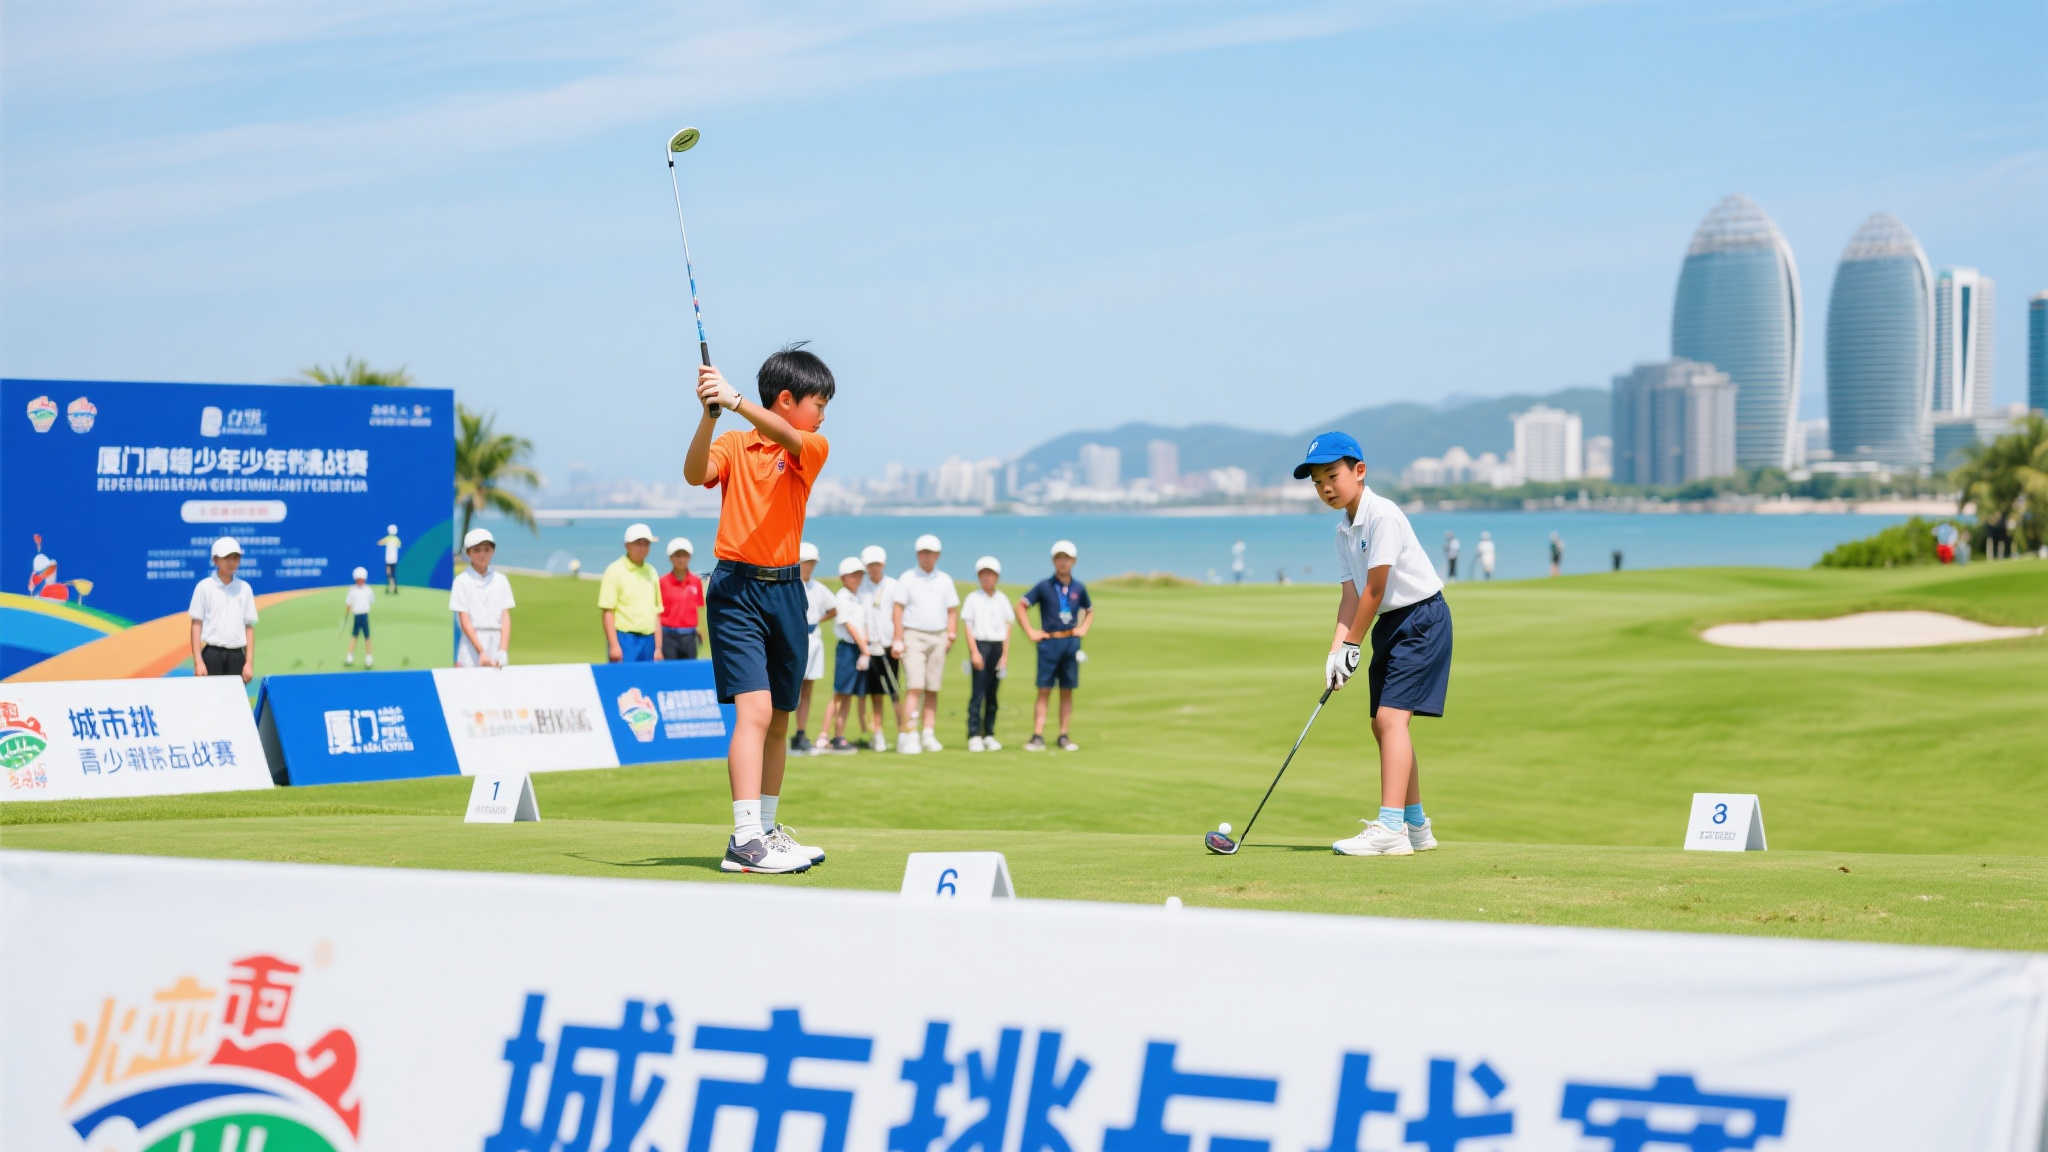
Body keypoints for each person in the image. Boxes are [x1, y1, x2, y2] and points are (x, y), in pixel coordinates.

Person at [684, 345, 835, 875]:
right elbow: (695, 473)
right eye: (819, 404)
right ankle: (745, 839)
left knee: (779, 718)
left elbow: (790, 437)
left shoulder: (811, 445)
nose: (823, 415)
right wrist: (711, 416)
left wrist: (735, 398)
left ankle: (766, 831)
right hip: (736, 591)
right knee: (755, 711)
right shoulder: (733, 443)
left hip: (787, 592)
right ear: (787, 398)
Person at [1296, 431, 1449, 858]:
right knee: (1381, 725)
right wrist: (1336, 651)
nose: (1326, 488)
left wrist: (1353, 644)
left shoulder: (1383, 516)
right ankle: (1415, 825)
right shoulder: (1343, 532)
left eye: (1332, 476)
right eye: (1318, 482)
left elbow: (1375, 589)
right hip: (1391, 624)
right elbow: (1350, 596)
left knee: (1390, 719)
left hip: (1421, 619)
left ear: (1359, 471)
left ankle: (1390, 828)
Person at [1014, 539, 1091, 752]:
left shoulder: (1078, 588)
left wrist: (1083, 628)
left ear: (1073, 561)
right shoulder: (1044, 586)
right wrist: (1030, 631)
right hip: (1049, 643)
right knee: (1044, 689)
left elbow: (1089, 610)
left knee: (1067, 690)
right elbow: (1021, 605)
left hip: (1070, 642)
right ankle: (1037, 735)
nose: (1063, 562)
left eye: (1066, 558)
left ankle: (1063, 735)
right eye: (1059, 558)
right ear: (1053, 561)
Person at [890, 533, 960, 753]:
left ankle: (928, 733)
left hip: (939, 636)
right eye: (923, 553)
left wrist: (951, 635)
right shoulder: (907, 578)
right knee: (915, 686)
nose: (926, 557)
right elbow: (898, 609)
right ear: (917, 555)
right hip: (913, 635)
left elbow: (952, 610)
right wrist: (898, 638)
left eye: (930, 553)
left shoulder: (945, 580)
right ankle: (909, 733)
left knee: (932, 688)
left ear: (937, 555)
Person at [960, 555, 1012, 751]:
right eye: (983, 574)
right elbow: (968, 627)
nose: (987, 578)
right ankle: (974, 734)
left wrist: (1004, 656)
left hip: (997, 647)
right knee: (978, 693)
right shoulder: (973, 598)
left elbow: (1007, 627)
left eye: (990, 574)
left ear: (997, 576)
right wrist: (974, 652)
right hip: (980, 646)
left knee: (992, 694)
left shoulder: (1002, 599)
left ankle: (989, 733)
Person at [189, 536, 257, 684]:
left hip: (237, 655)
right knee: (210, 696)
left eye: (236, 558)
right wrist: (198, 662)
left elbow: (249, 627)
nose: (232, 562)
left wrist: (249, 662)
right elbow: (196, 625)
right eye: (227, 558)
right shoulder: (204, 587)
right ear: (215, 560)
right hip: (212, 655)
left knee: (235, 697)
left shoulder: (245, 588)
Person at [792, 541, 836, 754]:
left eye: (811, 563)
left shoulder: (818, 588)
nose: (808, 567)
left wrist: (818, 620)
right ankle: (781, 733)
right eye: (805, 562)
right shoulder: (791, 586)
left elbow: (834, 608)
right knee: (791, 688)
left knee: (807, 688)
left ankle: (800, 732)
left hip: (813, 639)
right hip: (794, 639)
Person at [860, 544, 905, 753]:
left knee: (894, 692)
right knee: (875, 694)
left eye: (877, 564)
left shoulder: (894, 586)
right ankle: (878, 735)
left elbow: (898, 615)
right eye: (870, 565)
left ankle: (903, 734)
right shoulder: (862, 587)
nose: (874, 568)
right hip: (870, 647)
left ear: (883, 564)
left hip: (890, 646)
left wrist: (898, 639)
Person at [822, 557, 870, 755]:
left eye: (859, 575)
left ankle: (839, 736)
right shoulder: (842, 597)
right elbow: (849, 626)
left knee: (848, 694)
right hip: (848, 649)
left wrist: (865, 647)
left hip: (858, 648)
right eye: (853, 575)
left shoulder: (858, 597)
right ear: (843, 578)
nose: (857, 579)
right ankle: (824, 735)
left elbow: (862, 625)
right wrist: (865, 650)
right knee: (839, 693)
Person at [599, 523, 664, 663]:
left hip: (649, 639)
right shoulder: (614, 570)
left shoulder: (651, 571)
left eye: (646, 544)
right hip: (625, 639)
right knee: (624, 677)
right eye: (638, 543)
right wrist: (614, 645)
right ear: (627, 545)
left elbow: (656, 612)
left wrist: (658, 648)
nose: (643, 548)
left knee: (648, 677)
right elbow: (608, 611)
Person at [450, 527, 514, 667]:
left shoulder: (501, 580)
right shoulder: (461, 581)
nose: (482, 554)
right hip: (471, 646)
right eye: (477, 550)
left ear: (493, 551)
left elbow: (505, 616)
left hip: (497, 643)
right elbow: (464, 620)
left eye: (487, 549)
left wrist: (503, 650)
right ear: (468, 553)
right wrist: (481, 652)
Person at [659, 537, 704, 660]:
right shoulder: (662, 582)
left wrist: (699, 629)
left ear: (689, 557)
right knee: (669, 670)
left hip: (689, 636)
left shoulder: (696, 582)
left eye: (685, 555)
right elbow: (657, 612)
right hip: (668, 637)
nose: (681, 559)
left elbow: (699, 607)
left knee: (689, 670)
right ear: (670, 558)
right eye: (677, 556)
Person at [342, 566, 375, 667]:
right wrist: (347, 613)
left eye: (361, 579)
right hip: (357, 616)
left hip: (364, 616)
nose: (360, 581)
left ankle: (369, 658)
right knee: (354, 636)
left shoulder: (368, 590)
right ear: (355, 579)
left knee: (367, 637)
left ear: (364, 579)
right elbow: (348, 603)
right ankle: (349, 657)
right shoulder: (352, 590)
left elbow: (371, 601)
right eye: (358, 579)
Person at [377, 523, 401, 594]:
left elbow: (379, 543)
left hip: (388, 560)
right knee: (393, 574)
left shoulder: (387, 538)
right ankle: (394, 589)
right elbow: (399, 545)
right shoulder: (397, 539)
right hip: (394, 560)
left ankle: (389, 588)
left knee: (388, 574)